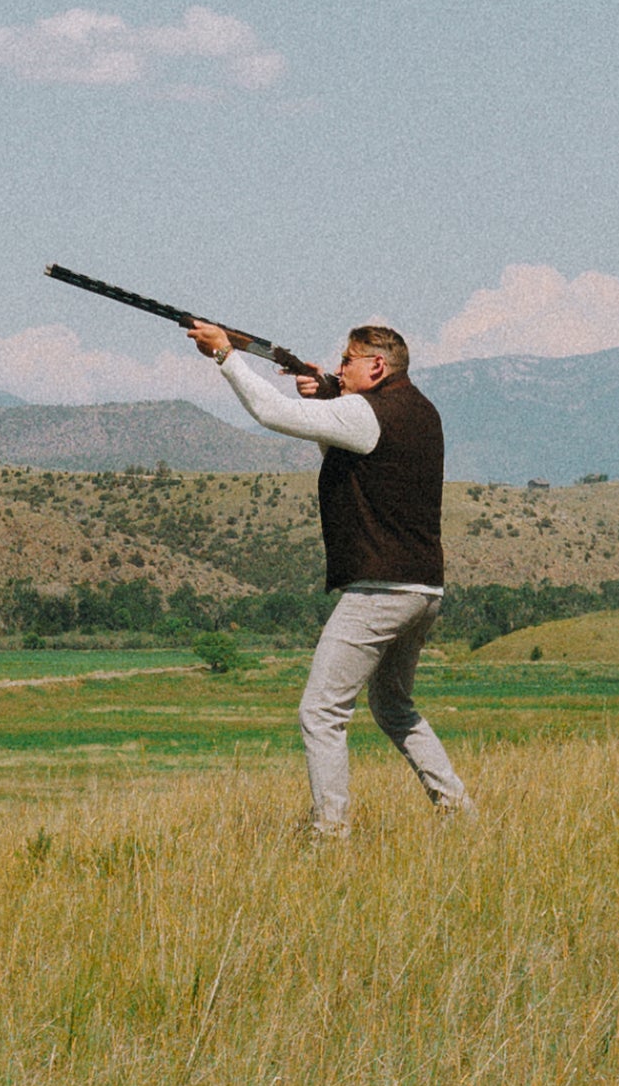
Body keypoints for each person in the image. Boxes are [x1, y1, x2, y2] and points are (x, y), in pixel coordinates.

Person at [183, 318, 474, 838]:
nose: (339, 366)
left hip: (381, 590)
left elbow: (272, 412)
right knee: (393, 707)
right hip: (424, 588)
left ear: (377, 366)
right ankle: (458, 811)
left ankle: (330, 833)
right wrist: (327, 398)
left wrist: (226, 356)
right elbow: (352, 454)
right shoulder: (420, 410)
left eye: (347, 360)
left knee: (320, 712)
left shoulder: (369, 411)